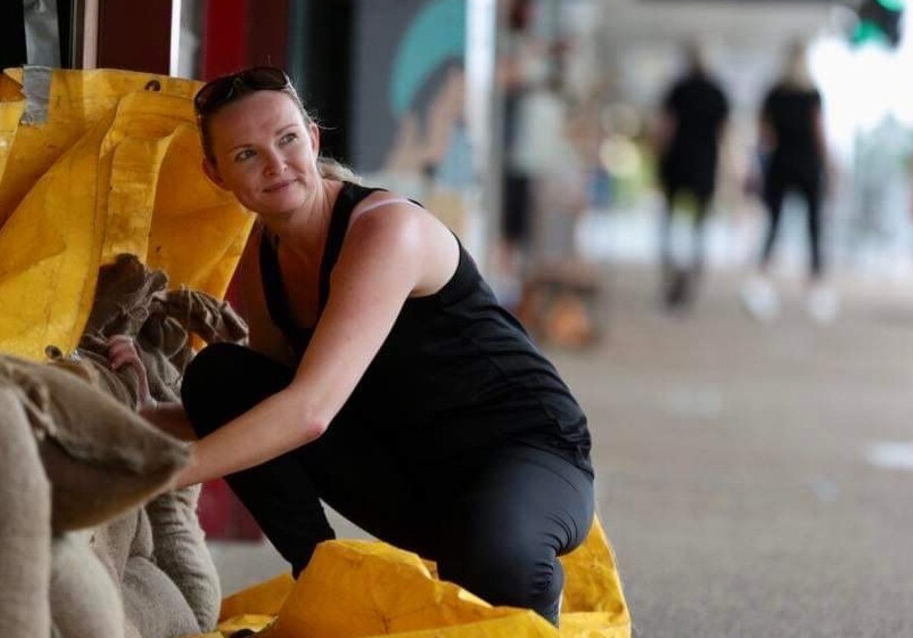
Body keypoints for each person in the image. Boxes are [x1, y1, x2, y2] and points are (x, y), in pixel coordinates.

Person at [110, 66, 595, 623]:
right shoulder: (265, 257)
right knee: (218, 376)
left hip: (524, 452)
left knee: (497, 561)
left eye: (287, 139)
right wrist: (150, 418)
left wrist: (157, 475)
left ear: (312, 139)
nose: (275, 164)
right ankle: (326, 584)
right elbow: (270, 410)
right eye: (245, 154)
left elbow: (308, 413)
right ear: (216, 175)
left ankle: (535, 583)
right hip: (412, 472)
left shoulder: (387, 231)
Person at [742, 40, 836, 323]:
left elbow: (763, 136)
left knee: (773, 225)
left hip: (781, 164)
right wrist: (830, 168)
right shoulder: (812, 94)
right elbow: (819, 135)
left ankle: (761, 283)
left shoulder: (775, 93)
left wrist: (756, 167)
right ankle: (815, 289)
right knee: (813, 227)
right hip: (807, 165)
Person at [650, 41, 730, 308]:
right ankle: (693, 272)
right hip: (704, 163)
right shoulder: (717, 92)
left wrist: (658, 155)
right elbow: (723, 133)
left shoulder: (679, 89)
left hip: (677, 160)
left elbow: (666, 126)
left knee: (671, 220)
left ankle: (673, 269)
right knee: (699, 224)